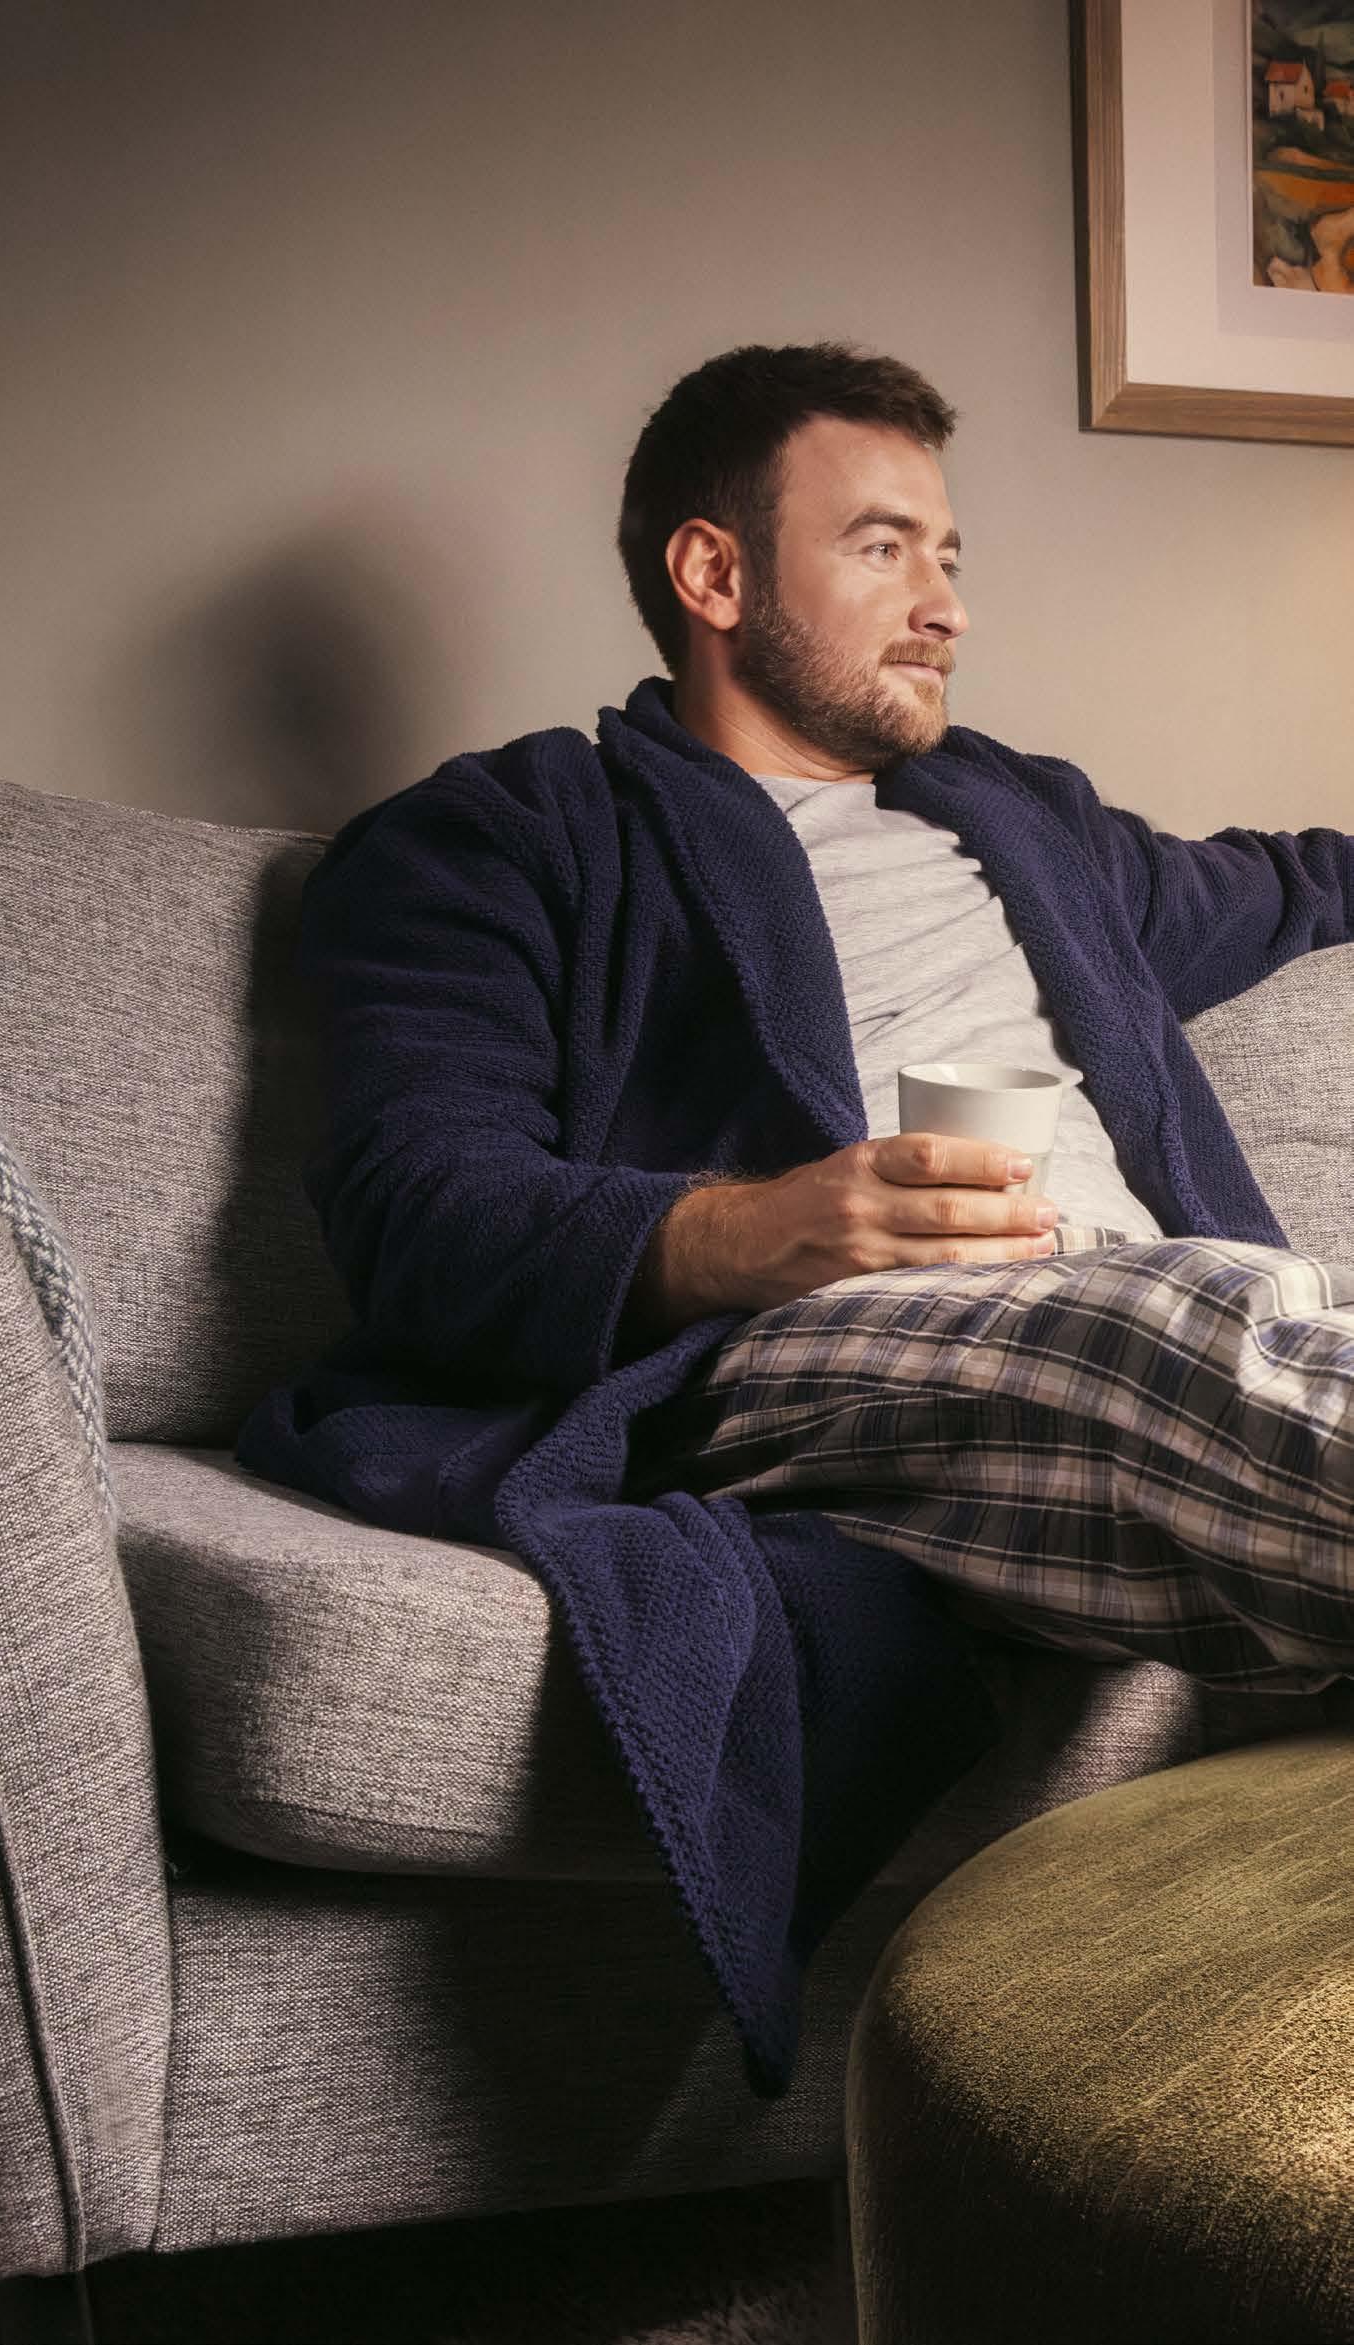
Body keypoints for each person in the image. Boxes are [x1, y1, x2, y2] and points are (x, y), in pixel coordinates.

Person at [237, 342, 1354, 2093]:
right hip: (800, 1349)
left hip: (1151, 1330)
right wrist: (758, 1227)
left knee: (1216, 1328)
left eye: (950, 555)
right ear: (715, 572)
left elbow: (1303, 881)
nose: (946, 606)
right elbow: (417, 1206)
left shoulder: (1028, 824)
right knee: (1183, 1329)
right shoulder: (507, 837)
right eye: (885, 547)